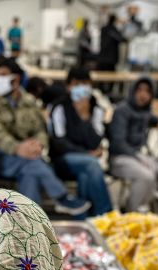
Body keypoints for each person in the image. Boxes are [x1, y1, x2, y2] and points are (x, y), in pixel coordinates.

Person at [0, 59, 91, 216]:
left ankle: (31, 223)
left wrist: (38, 145)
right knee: (33, 162)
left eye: (3, 75)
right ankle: (61, 196)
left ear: (16, 79)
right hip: (2, 156)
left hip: (29, 157)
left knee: (30, 174)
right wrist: (18, 148)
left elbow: (40, 129)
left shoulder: (29, 101)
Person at [108, 76, 158, 211]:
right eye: (139, 90)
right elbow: (117, 143)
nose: (143, 95)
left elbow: (151, 118)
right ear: (132, 91)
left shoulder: (145, 111)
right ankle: (132, 212)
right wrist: (138, 157)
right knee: (147, 176)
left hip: (141, 156)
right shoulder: (122, 111)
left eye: (147, 92)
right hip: (121, 158)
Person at [48, 67, 112, 216]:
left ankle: (83, 218)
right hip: (63, 160)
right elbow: (59, 142)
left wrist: (85, 118)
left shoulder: (96, 109)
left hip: (87, 162)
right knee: (91, 164)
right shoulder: (59, 107)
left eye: (85, 83)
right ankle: (105, 213)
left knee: (86, 173)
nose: (81, 88)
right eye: (76, 84)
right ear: (68, 86)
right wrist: (86, 153)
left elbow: (96, 141)